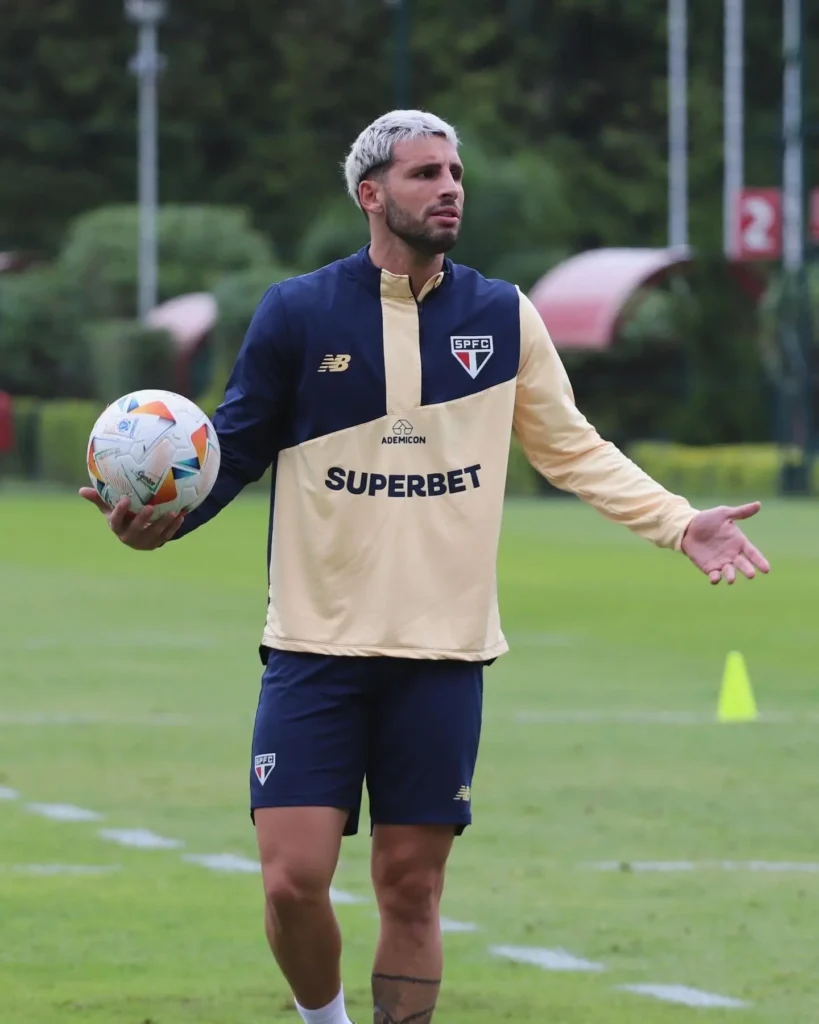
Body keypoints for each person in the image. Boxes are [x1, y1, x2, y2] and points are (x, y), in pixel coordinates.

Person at [80, 110, 770, 1024]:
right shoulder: (297, 312)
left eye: (454, 173)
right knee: (291, 880)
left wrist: (681, 524)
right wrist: (162, 526)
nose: (448, 188)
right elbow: (233, 449)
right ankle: (321, 1019)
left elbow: (573, 450)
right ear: (371, 195)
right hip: (314, 646)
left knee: (411, 891)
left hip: (442, 652)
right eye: (423, 174)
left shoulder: (499, 314)